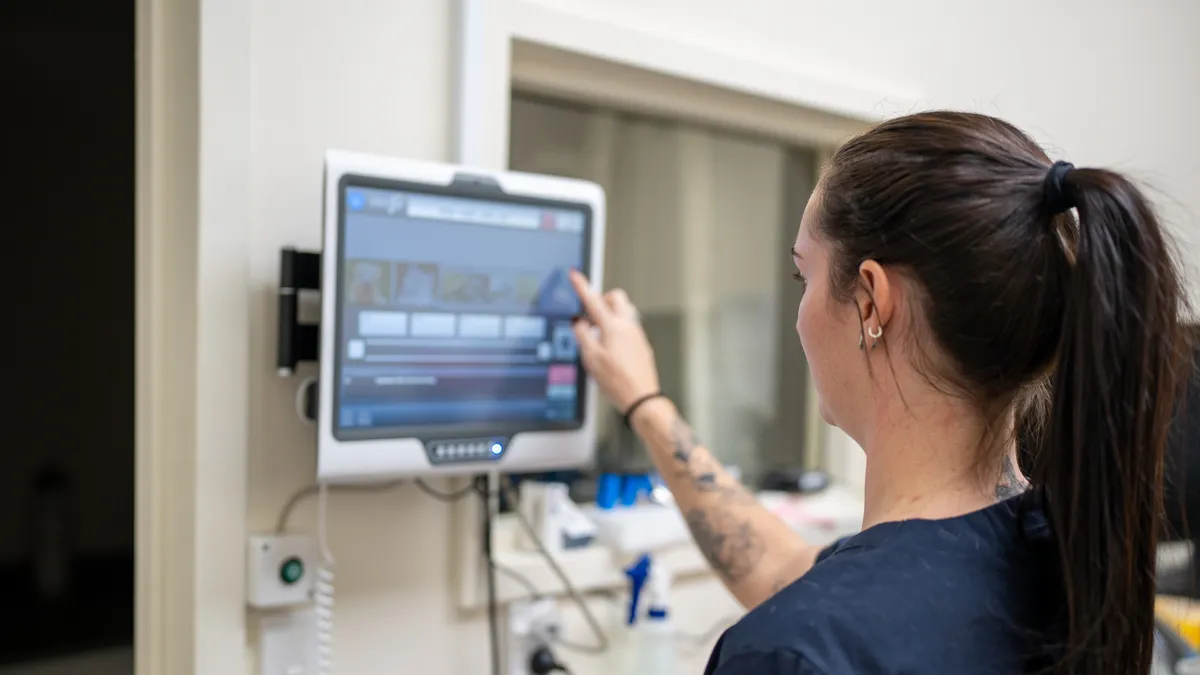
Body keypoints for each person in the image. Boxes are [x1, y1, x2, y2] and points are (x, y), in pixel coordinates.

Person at [568, 111, 1191, 675]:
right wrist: (645, 404)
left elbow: (824, 615)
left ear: (870, 300)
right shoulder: (1075, 558)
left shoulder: (794, 651)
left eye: (801, 273)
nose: (799, 311)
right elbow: (785, 570)